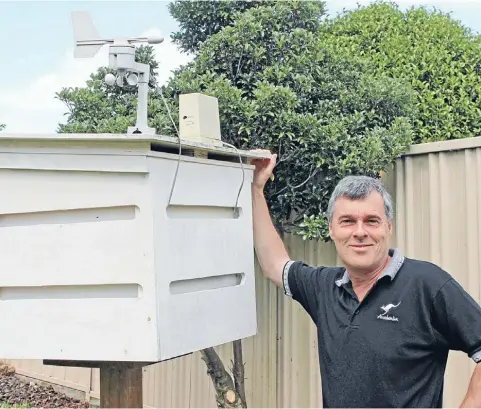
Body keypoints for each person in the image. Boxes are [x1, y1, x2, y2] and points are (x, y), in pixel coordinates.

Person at [251, 150, 481, 408]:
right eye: (347, 221)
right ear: (332, 229)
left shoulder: (427, 284)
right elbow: (275, 265)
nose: (360, 232)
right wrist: (257, 189)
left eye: (371, 221)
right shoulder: (324, 288)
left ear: (388, 227)